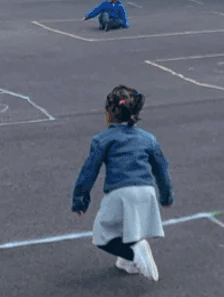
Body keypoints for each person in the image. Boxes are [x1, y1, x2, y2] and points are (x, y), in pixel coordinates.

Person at [72, 85, 173, 282]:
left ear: (109, 113)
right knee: (127, 226)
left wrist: (79, 201)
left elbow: (88, 172)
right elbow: (162, 169)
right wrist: (166, 196)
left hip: (121, 192)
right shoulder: (148, 138)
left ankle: (134, 253)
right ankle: (128, 261)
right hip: (146, 191)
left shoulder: (103, 139)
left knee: (102, 235)